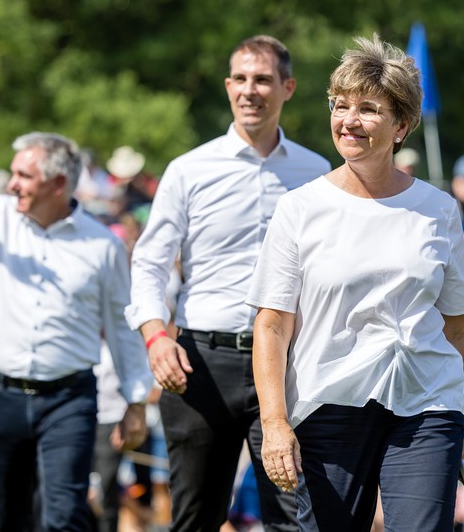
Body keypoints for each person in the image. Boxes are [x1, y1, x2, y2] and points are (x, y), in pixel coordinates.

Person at [246, 34, 464, 531]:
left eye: (367, 108)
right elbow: (271, 327)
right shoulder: (299, 209)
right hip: (329, 404)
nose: (348, 120)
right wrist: (275, 425)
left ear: (402, 125)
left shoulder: (439, 209)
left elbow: (456, 329)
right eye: (340, 106)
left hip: (426, 405)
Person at [0, 91, 154, 531]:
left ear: (58, 185)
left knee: (62, 513)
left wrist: (135, 402)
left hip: (69, 400)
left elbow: (123, 326)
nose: (12, 183)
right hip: (2, 396)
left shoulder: (103, 245)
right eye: (13, 173)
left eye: (23, 175)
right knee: (6, 516)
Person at [126, 35, 330, 531]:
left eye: (262, 79)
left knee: (294, 519)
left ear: (288, 87)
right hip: (202, 363)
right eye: (240, 78)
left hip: (288, 368)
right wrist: (154, 336)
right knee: (196, 520)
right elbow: (150, 262)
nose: (249, 90)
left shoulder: (318, 172)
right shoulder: (189, 170)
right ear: (227, 86)